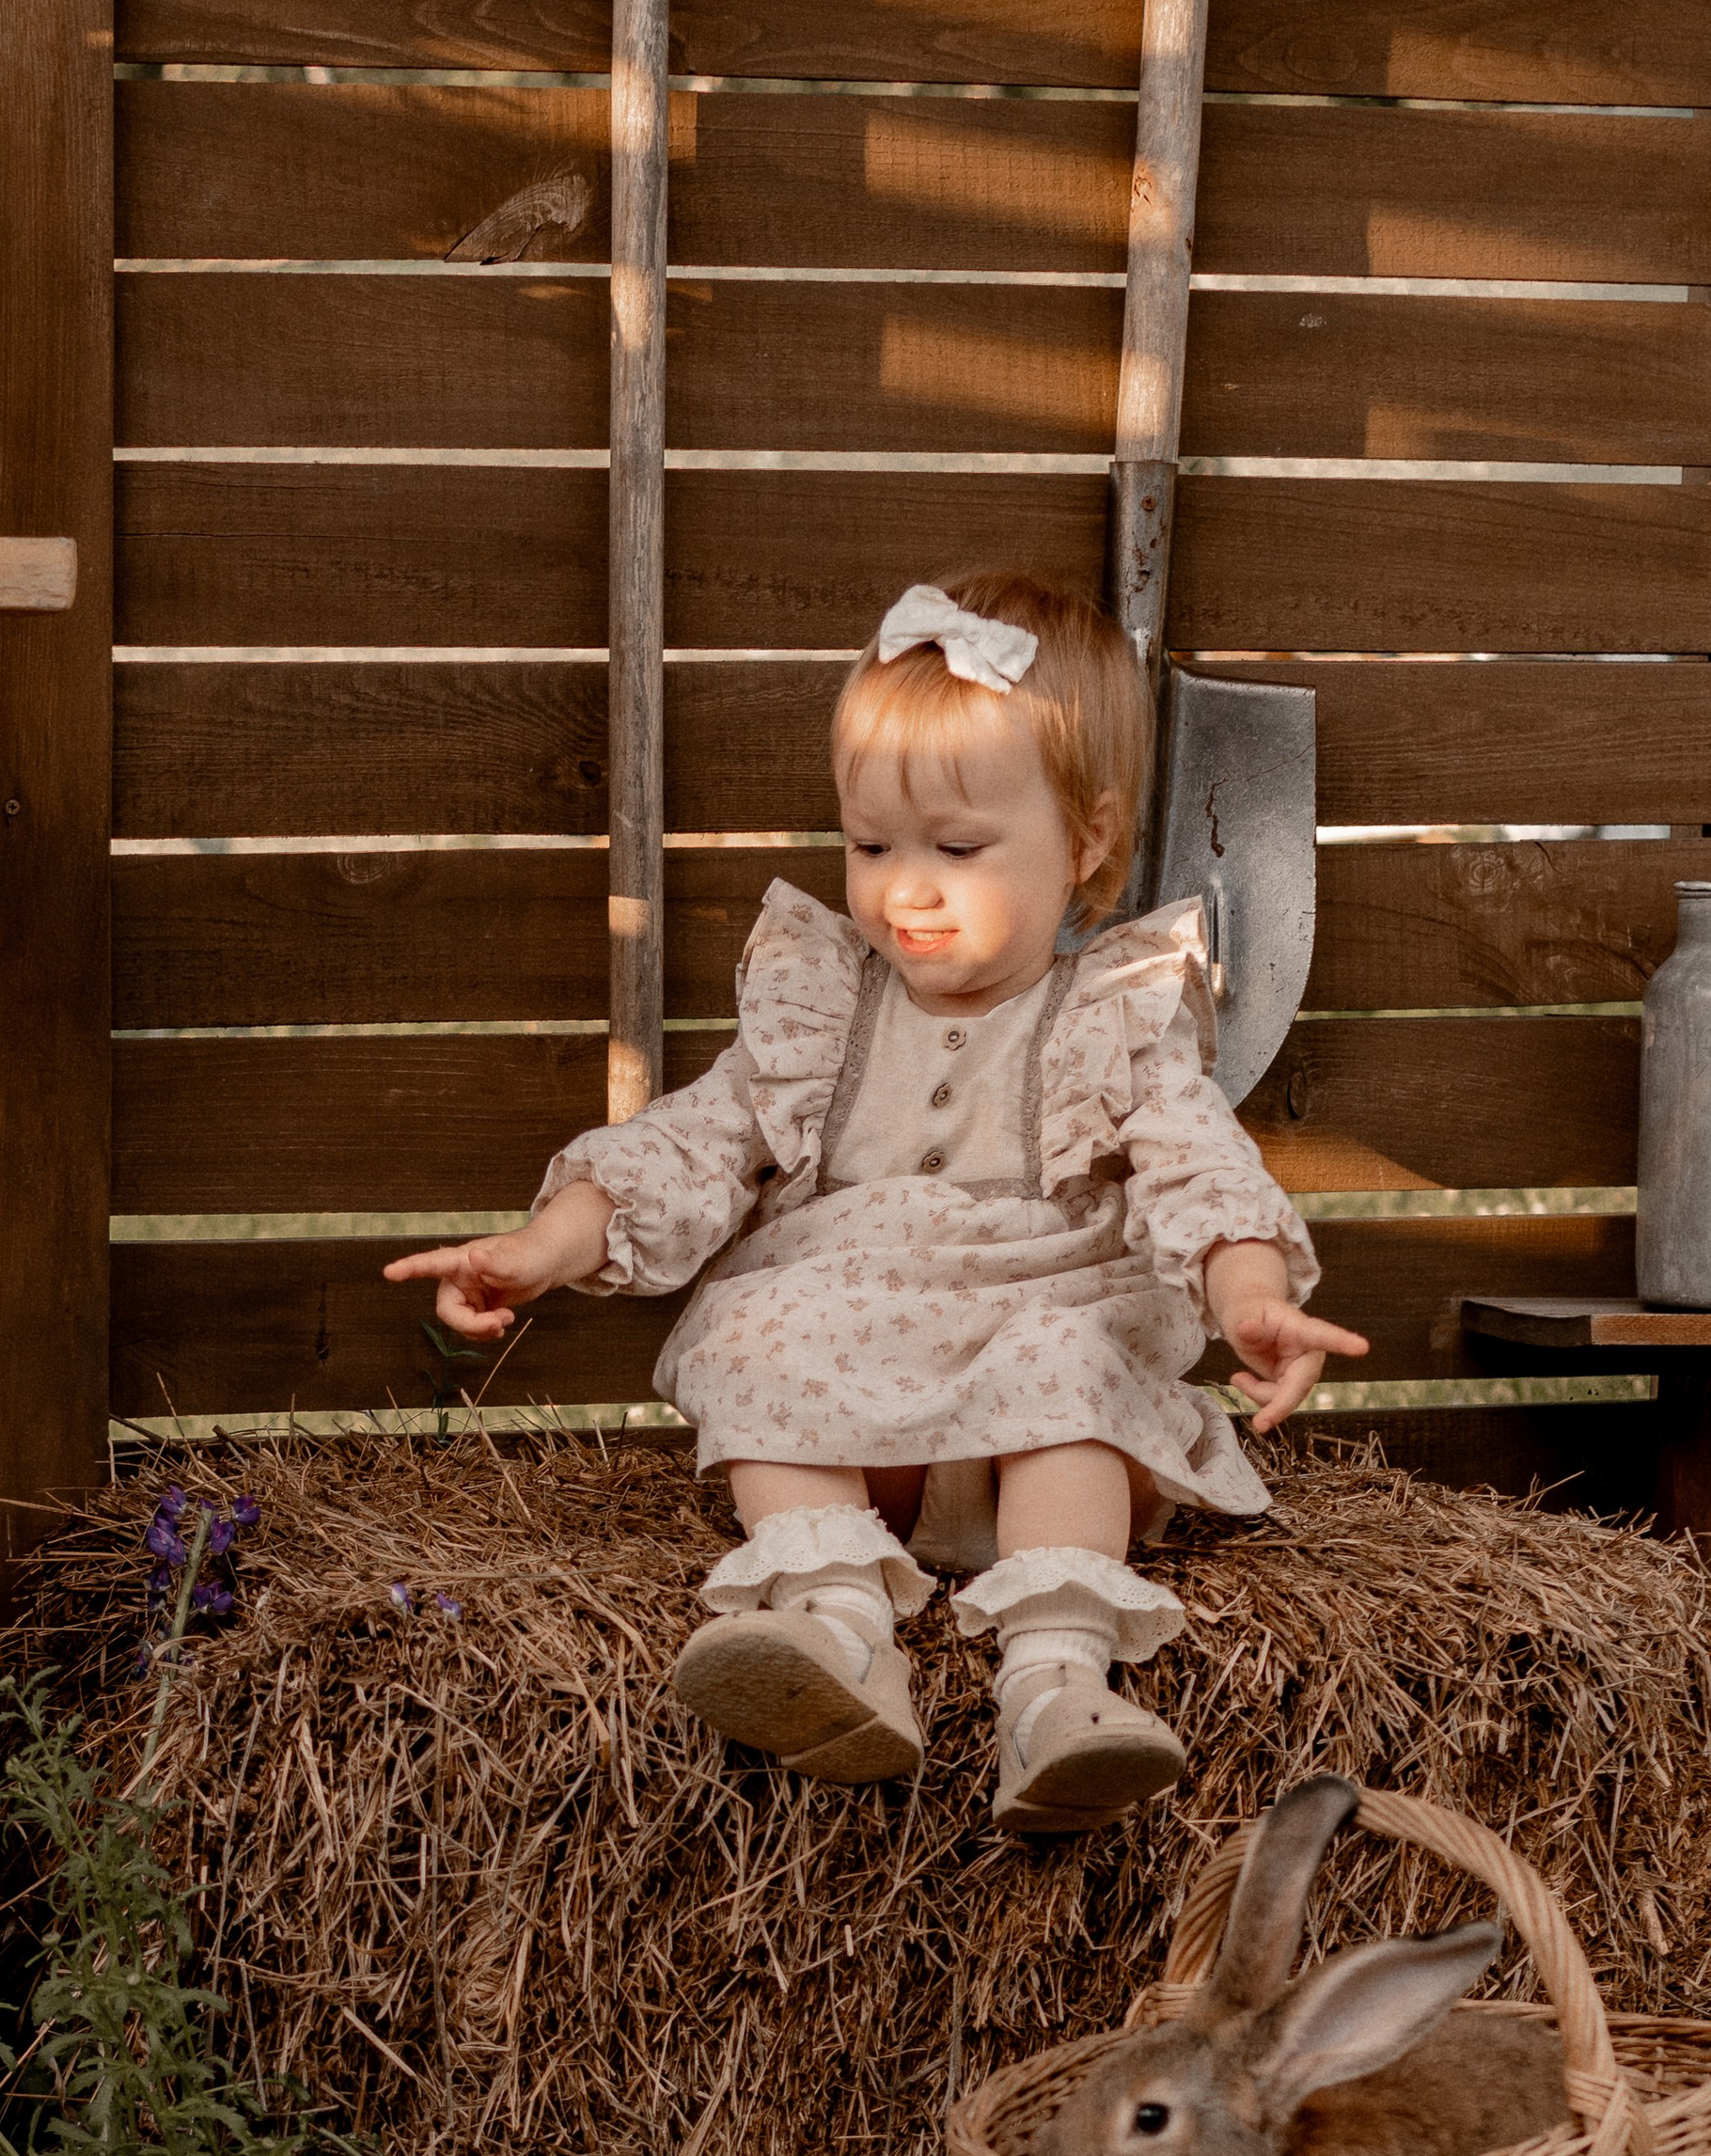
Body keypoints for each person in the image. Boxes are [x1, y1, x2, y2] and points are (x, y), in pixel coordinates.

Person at [383, 574, 1366, 1835]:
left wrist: (1252, 1295)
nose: (907, 887)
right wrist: (543, 1246)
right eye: (871, 846)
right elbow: (691, 1143)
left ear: (1087, 843)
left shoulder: (1112, 1020)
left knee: (1072, 1364)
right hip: (863, 1450)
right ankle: (838, 1631)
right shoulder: (824, 1011)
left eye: (957, 849)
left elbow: (1199, 1168)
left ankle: (1055, 1685)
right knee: (754, 1333)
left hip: (1028, 1422)